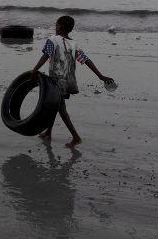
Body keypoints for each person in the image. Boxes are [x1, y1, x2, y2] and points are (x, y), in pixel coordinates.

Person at [30, 15, 114, 148]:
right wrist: (100, 76)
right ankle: (49, 132)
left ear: (61, 26)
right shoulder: (74, 44)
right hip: (69, 81)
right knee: (55, 105)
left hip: (57, 81)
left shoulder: (53, 39)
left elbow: (46, 55)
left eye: (56, 25)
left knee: (60, 108)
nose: (55, 27)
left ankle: (76, 137)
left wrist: (34, 70)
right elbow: (86, 61)